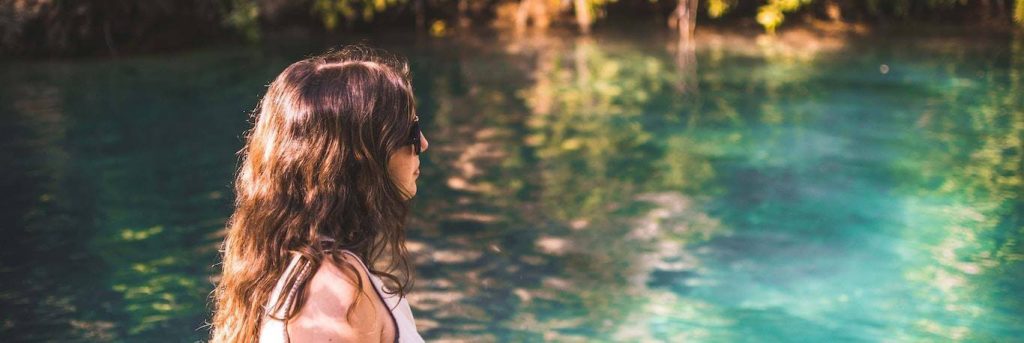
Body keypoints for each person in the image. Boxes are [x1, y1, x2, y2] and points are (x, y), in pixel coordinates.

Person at [211, 45, 428, 343]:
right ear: (358, 156)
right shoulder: (334, 291)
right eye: (411, 131)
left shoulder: (311, 270)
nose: (423, 144)